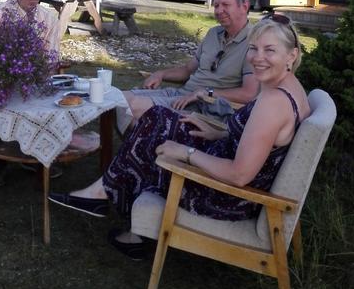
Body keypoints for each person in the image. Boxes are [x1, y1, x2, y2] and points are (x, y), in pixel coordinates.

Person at [49, 13, 310, 259]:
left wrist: (187, 153)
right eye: (253, 48)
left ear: (292, 55)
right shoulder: (289, 88)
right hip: (227, 161)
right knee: (158, 119)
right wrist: (217, 130)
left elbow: (239, 175)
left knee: (155, 135)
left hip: (225, 196)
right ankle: (117, 207)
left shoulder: (273, 102)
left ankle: (114, 207)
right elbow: (258, 141)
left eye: (269, 50)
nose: (257, 58)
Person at [119, 0, 259, 132]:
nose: (219, 11)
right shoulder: (213, 33)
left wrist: (207, 93)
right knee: (117, 99)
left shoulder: (254, 43)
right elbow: (187, 70)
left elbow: (249, 94)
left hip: (205, 106)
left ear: (244, 6)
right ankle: (142, 144)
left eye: (225, 5)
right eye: (216, 5)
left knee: (133, 107)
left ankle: (141, 144)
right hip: (181, 95)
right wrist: (161, 74)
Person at [0, 0, 61, 187]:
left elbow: (52, 59)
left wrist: (34, 77)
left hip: (34, 83)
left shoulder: (49, 19)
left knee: (49, 101)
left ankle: (35, 155)